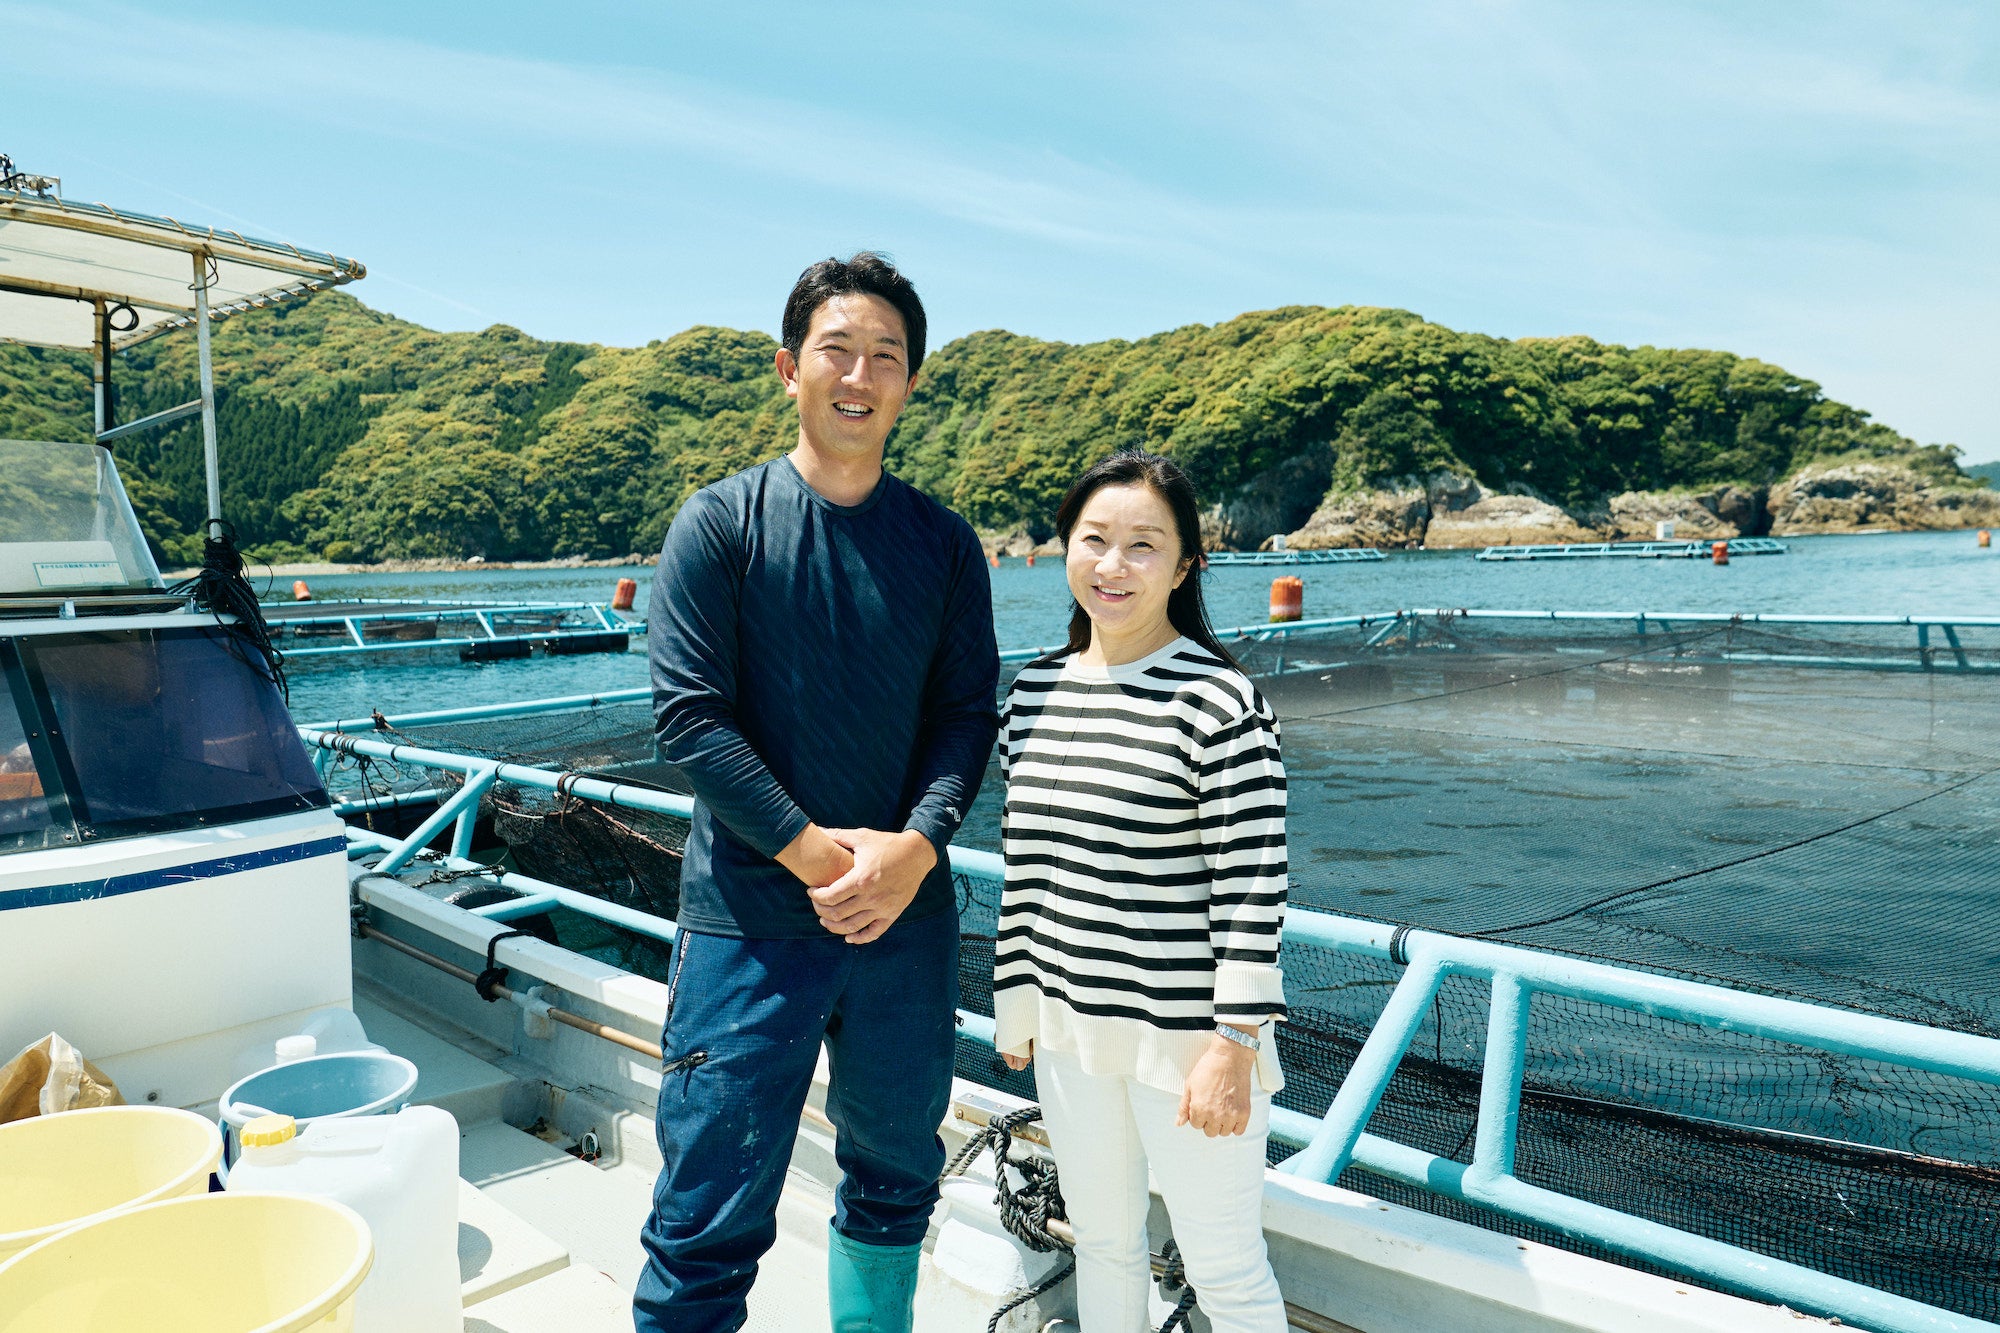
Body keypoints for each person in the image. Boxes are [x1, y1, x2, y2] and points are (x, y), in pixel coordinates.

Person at [635, 252, 1000, 1333]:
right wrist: (817, 856)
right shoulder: (720, 524)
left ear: (909, 385)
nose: (859, 373)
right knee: (707, 1210)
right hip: (748, 922)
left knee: (895, 1180)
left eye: (885, 357)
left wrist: (916, 847)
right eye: (837, 350)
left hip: (903, 921)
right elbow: (690, 720)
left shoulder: (941, 546)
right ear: (788, 367)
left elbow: (963, 718)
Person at [994, 451, 1290, 1332]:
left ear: (1186, 564)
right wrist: (1020, 1004)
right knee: (1104, 1241)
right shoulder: (1033, 690)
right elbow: (1031, 868)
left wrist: (1233, 1045)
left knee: (1225, 1266)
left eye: (1143, 545)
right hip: (1070, 1026)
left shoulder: (1220, 699)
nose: (1113, 565)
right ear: (1065, 549)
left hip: (1187, 1041)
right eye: (1095, 541)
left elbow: (1253, 885)